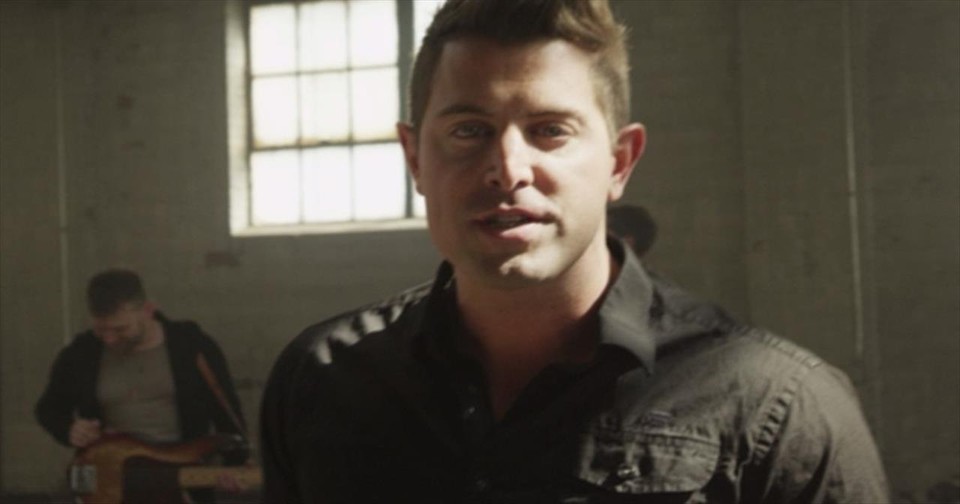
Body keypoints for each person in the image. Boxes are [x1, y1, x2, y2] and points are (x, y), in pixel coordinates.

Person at [259, 0, 889, 502]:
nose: (508, 169)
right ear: (414, 159)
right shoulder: (322, 379)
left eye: (550, 131)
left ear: (619, 163)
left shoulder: (778, 406)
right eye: (469, 130)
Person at [36, 268, 249, 502]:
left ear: (148, 310)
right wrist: (70, 429)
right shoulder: (82, 351)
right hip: (107, 471)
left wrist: (234, 463)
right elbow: (48, 408)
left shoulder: (191, 345)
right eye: (100, 329)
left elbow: (226, 411)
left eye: (120, 329)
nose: (109, 339)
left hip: (182, 469)